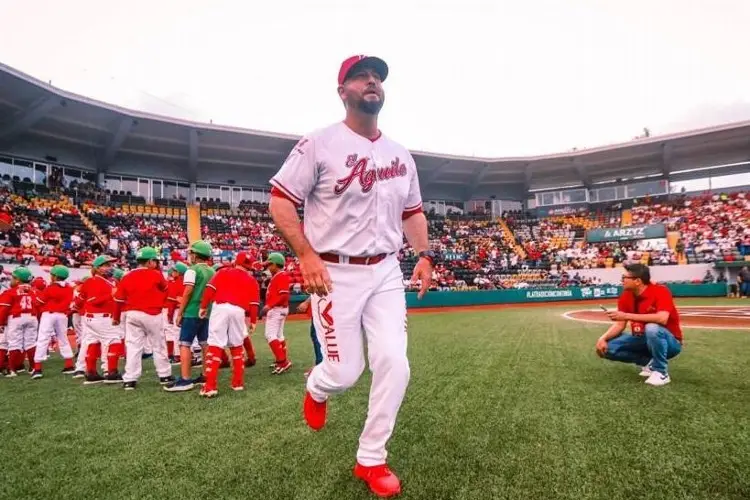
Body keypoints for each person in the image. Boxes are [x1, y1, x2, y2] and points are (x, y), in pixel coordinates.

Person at [268, 54, 434, 497]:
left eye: (377, 76)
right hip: (334, 271)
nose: (371, 82)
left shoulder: (400, 154)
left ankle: (371, 459)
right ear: (343, 91)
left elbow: (412, 212)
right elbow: (281, 201)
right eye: (360, 77)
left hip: (384, 270)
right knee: (344, 374)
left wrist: (424, 255)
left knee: (395, 365)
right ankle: (317, 385)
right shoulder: (319, 143)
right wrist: (305, 254)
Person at [595, 263, 683, 386]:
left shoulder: (660, 291)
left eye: (624, 277)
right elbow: (620, 325)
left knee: (652, 328)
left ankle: (661, 372)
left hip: (670, 344)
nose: (622, 280)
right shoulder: (626, 296)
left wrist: (625, 316)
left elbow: (662, 318)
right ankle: (649, 363)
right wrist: (602, 338)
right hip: (643, 339)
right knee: (607, 348)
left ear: (637, 281)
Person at [197, 251, 260, 397]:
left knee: (215, 344)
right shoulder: (252, 280)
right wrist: (253, 321)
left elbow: (210, 289)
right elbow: (254, 304)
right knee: (237, 345)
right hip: (239, 310)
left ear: (236, 261)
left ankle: (210, 387)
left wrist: (203, 306)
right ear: (250, 265)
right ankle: (237, 383)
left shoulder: (224, 271)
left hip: (220, 307)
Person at [113, 246, 174, 390]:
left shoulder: (126, 276)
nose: (156, 264)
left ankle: (130, 379)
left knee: (133, 346)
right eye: (155, 261)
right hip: (152, 313)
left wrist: (116, 317)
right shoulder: (155, 274)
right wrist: (159, 303)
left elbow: (119, 300)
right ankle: (164, 375)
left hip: (132, 314)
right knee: (158, 345)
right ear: (150, 262)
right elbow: (166, 290)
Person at [164, 240, 215, 392]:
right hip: (206, 312)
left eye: (191, 253)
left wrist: (180, 313)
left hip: (192, 311)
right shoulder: (213, 271)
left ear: (196, 255)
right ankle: (205, 375)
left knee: (184, 344)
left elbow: (187, 292)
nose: (190, 255)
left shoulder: (192, 270)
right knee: (205, 343)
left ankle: (185, 379)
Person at [75, 255, 123, 384]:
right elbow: (93, 301)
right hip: (101, 317)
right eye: (106, 265)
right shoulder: (94, 281)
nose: (110, 267)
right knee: (114, 341)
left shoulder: (108, 281)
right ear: (97, 268)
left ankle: (91, 373)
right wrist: (110, 295)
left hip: (93, 318)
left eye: (111, 265)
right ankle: (112, 372)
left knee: (93, 342)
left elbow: (80, 301)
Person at [31, 265, 75, 378]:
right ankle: (69, 365)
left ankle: (37, 368)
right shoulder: (70, 288)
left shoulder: (50, 288)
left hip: (49, 314)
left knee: (42, 339)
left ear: (55, 276)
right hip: (62, 315)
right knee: (63, 339)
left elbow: (38, 302)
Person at [0, 267, 40, 377]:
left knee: (14, 343)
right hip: (32, 317)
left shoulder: (10, 292)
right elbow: (39, 306)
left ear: (17, 280)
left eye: (13, 278)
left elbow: (3, 309)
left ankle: (12, 370)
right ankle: (33, 367)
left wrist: (1, 323)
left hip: (16, 317)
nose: (11, 280)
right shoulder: (35, 291)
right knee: (31, 343)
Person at [261, 252, 292, 374]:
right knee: (279, 336)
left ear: (275, 264)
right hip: (280, 309)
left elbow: (283, 295)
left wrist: (269, 305)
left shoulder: (281, 275)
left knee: (270, 335)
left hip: (277, 309)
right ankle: (282, 360)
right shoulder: (279, 275)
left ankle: (283, 361)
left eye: (270, 264)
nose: (268, 267)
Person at [296, 296, 323, 375]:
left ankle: (320, 365)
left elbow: (320, 289)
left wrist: (306, 302)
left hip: (323, 308)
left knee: (318, 336)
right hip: (323, 308)